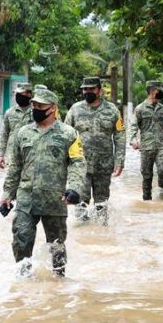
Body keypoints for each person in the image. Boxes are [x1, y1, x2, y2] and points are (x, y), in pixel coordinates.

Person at [0, 88, 86, 277]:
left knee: (56, 245)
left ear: (53, 108)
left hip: (55, 199)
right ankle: (23, 280)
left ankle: (58, 281)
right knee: (21, 239)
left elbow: (77, 163)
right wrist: (7, 194)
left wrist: (75, 188)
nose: (35, 109)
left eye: (40, 106)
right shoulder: (23, 133)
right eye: (34, 105)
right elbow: (15, 167)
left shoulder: (69, 134)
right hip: (26, 198)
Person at [64, 77, 126, 223]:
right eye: (85, 89)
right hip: (80, 164)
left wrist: (120, 161)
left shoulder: (112, 110)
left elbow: (120, 136)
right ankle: (83, 235)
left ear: (99, 90)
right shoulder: (75, 109)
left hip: (104, 165)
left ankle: (101, 233)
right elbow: (65, 134)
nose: (87, 92)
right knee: (80, 201)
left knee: (102, 202)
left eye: (91, 89)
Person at [129, 80, 163, 200]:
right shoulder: (140, 109)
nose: (162, 92)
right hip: (146, 147)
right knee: (147, 175)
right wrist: (134, 140)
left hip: (161, 145)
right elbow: (133, 126)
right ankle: (147, 200)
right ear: (152, 91)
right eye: (159, 90)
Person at [0, 83, 33, 169]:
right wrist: (0, 154)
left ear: (29, 94)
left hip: (32, 157)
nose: (18, 96)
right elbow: (3, 134)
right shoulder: (10, 112)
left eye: (21, 94)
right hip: (12, 157)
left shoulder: (36, 112)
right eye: (17, 94)